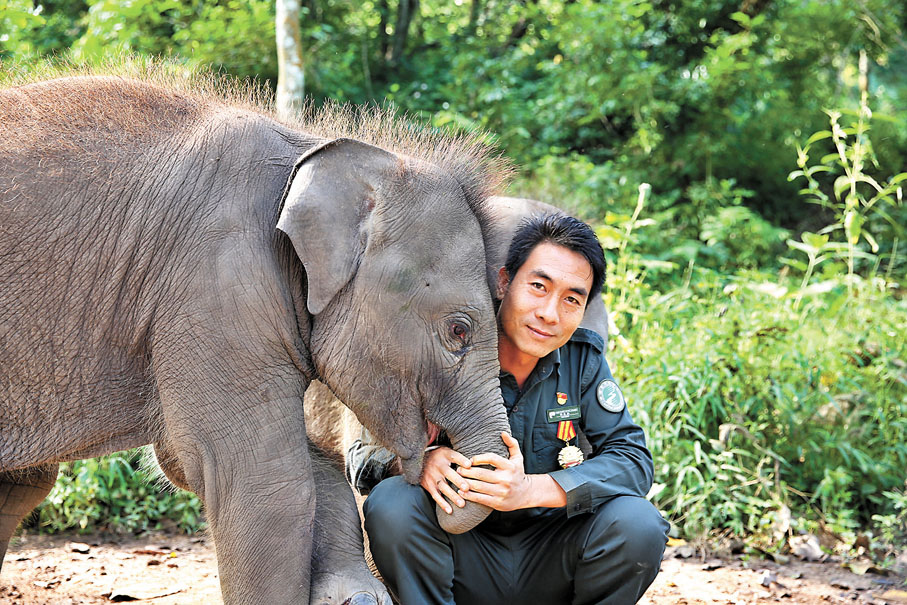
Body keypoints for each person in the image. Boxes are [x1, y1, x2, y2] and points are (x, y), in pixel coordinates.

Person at [352, 213, 669, 605]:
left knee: (639, 524)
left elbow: (634, 461)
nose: (550, 313)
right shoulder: (447, 347)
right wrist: (419, 460)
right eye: (538, 286)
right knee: (393, 505)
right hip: (460, 554)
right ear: (504, 282)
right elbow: (362, 458)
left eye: (571, 299)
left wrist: (531, 490)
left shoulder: (581, 362)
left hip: (552, 555)